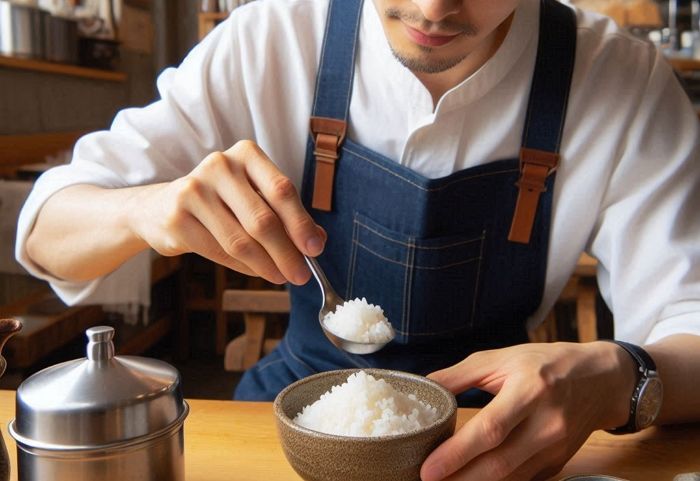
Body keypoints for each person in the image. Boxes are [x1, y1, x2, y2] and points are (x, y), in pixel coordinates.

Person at [16, 0, 700, 479]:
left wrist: (620, 376)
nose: (434, 9)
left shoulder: (621, 81)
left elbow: (689, 317)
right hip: (289, 424)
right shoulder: (272, 37)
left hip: (499, 441)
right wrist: (147, 208)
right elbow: (47, 230)